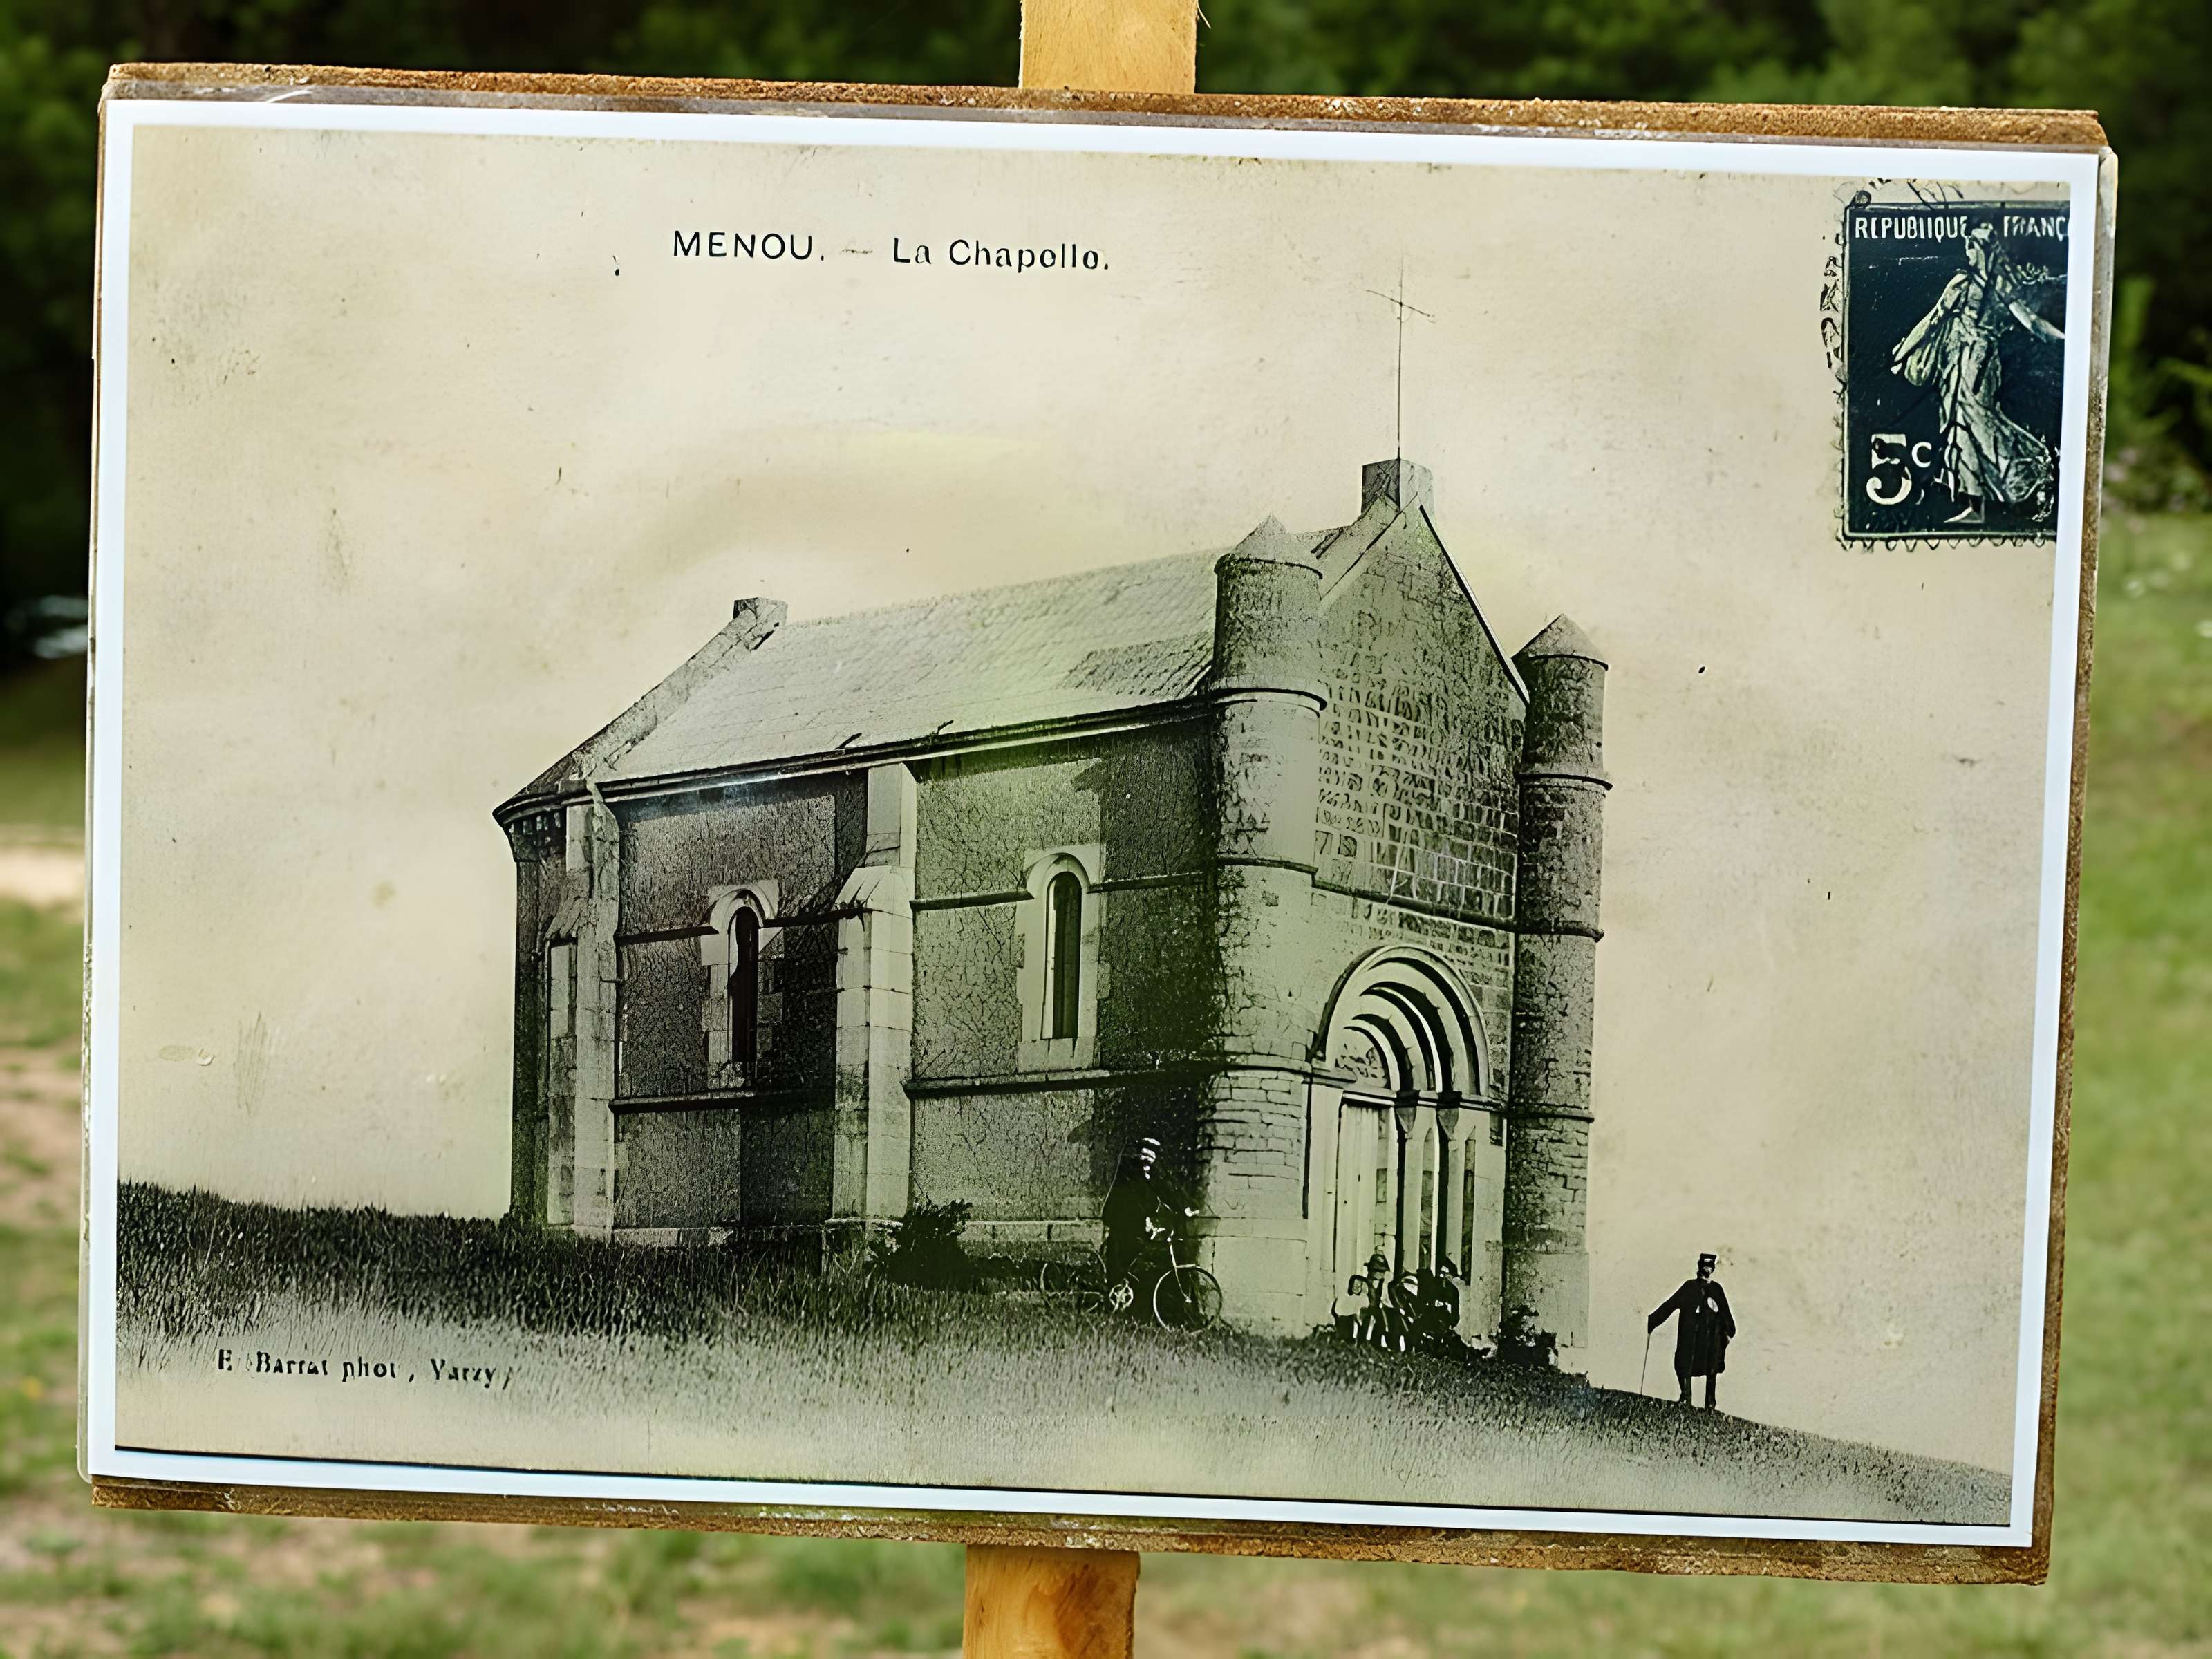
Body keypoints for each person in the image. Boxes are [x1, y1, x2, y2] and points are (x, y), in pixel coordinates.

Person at [1890, 214, 2065, 527]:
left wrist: (2068, 340)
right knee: (1959, 425)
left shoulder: (1998, 286)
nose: (1969, 249)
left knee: (1979, 422)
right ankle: (1976, 506)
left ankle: (2033, 467)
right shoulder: (1964, 282)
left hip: (1979, 361)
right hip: (1956, 359)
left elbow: (2032, 322)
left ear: (1989, 249)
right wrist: (1904, 350)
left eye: (1976, 244)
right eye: (1968, 243)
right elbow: (1933, 319)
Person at [1649, 1252, 1736, 1409]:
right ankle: (1685, 1397)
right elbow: (1671, 1304)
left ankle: (1710, 1403)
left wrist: (1730, 1332)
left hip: (1710, 1339)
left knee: (1712, 1367)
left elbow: (1725, 1312)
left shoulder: (1717, 1289)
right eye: (1704, 1266)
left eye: (1710, 1266)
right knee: (1683, 1363)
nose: (1707, 1269)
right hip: (1690, 1336)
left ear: (1713, 1268)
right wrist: (1653, 1320)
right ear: (1700, 1267)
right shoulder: (1689, 1287)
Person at [1101, 1136, 1168, 1291]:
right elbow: (1132, 1199)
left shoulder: (1151, 1175)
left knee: (1135, 1258)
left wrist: (1183, 1208)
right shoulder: (1129, 1172)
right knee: (1120, 1258)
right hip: (1121, 1220)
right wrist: (1145, 1217)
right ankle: (1114, 1296)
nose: (1146, 1158)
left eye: (1151, 1154)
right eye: (1143, 1153)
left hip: (1137, 1223)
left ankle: (1125, 1292)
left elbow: (1165, 1192)